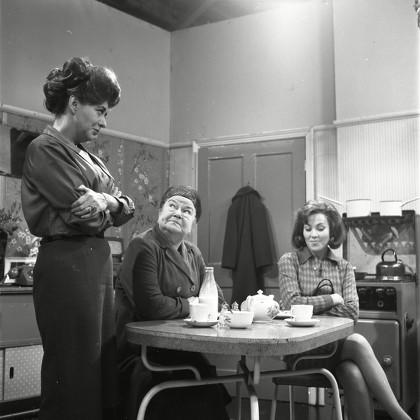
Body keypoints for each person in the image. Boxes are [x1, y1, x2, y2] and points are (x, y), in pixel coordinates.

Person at [21, 57, 135, 420]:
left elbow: (125, 206)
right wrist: (110, 205)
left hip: (95, 268)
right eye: (99, 110)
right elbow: (84, 218)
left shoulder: (89, 157)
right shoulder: (44, 148)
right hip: (67, 267)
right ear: (74, 103)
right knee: (72, 374)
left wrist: (107, 200)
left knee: (97, 371)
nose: (103, 121)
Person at [278, 200, 411, 420]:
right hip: (302, 350)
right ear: (301, 231)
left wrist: (310, 308)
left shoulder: (344, 267)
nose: (313, 234)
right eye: (308, 228)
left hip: (334, 348)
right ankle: (399, 416)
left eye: (320, 228)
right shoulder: (290, 261)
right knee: (357, 342)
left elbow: (352, 312)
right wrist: (332, 298)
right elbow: (292, 304)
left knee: (353, 372)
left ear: (332, 233)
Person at [114, 185, 231, 420]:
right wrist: (194, 303)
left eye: (187, 211)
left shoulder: (193, 253)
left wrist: (192, 303)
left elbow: (217, 300)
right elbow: (152, 308)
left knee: (205, 386)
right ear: (160, 212)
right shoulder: (143, 246)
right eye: (172, 206)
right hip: (143, 353)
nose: (178, 213)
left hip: (181, 349)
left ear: (193, 223)